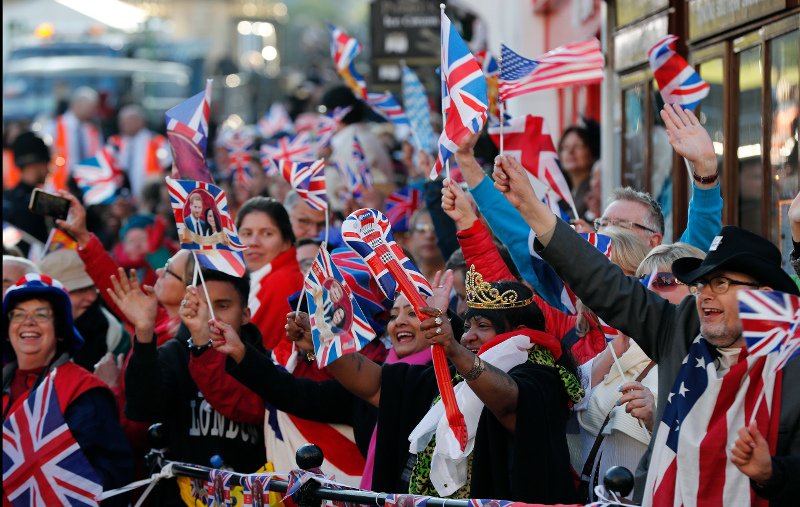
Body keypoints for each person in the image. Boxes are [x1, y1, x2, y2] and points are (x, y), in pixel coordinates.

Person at [493, 150, 800, 506]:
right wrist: (530, 205)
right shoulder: (681, 328)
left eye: (722, 284)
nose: (705, 295)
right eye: (701, 284)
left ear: (762, 296)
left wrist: (770, 473)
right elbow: (602, 282)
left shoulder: (789, 363)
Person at [312, 268, 581, 503]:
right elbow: (377, 387)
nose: (469, 336)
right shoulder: (453, 377)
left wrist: (452, 348)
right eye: (467, 326)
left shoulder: (544, 377)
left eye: (482, 326)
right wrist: (322, 336)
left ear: (518, 330)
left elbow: (509, 401)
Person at [208, 290, 434, 489]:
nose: (400, 322)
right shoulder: (370, 382)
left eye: (412, 313)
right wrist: (240, 352)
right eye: (394, 315)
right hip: (373, 496)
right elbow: (296, 394)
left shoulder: (444, 382)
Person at [116, 266, 266, 505]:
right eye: (200, 305)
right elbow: (142, 409)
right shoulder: (173, 354)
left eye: (222, 306)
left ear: (246, 314)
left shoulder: (261, 362)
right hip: (180, 498)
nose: (209, 316)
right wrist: (144, 332)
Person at [2, 274, 133, 505]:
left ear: (60, 331)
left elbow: (110, 481)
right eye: (18, 314)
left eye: (41, 314)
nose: (28, 322)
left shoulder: (84, 391)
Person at [39, 248, 130, 372]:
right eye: (79, 290)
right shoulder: (28, 332)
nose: (92, 297)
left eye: (92, 287)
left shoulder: (113, 333)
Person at [237, 196, 303, 351]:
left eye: (266, 234)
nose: (253, 242)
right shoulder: (252, 277)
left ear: (286, 242)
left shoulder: (282, 282)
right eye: (246, 233)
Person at [106, 104, 171, 199]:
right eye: (124, 121)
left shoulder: (156, 141)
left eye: (132, 120)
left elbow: (168, 167)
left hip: (150, 196)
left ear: (142, 121)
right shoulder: (114, 142)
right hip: (120, 197)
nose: (127, 125)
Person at [2, 132, 51, 256]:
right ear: (37, 164)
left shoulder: (7, 198)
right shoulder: (42, 202)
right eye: (46, 163)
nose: (48, 170)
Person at [46, 86, 103, 191]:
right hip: (58, 187)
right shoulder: (55, 126)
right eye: (90, 107)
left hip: (85, 187)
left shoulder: (92, 130)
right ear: (76, 104)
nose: (93, 111)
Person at [558, 123, 599, 220]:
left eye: (578, 146)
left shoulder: (596, 193)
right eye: (565, 147)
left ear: (591, 152)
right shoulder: (563, 199)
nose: (570, 151)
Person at [407, 208, 445, 282]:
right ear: (410, 239)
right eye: (421, 229)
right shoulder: (400, 280)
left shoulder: (460, 281)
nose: (429, 235)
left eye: (436, 229)